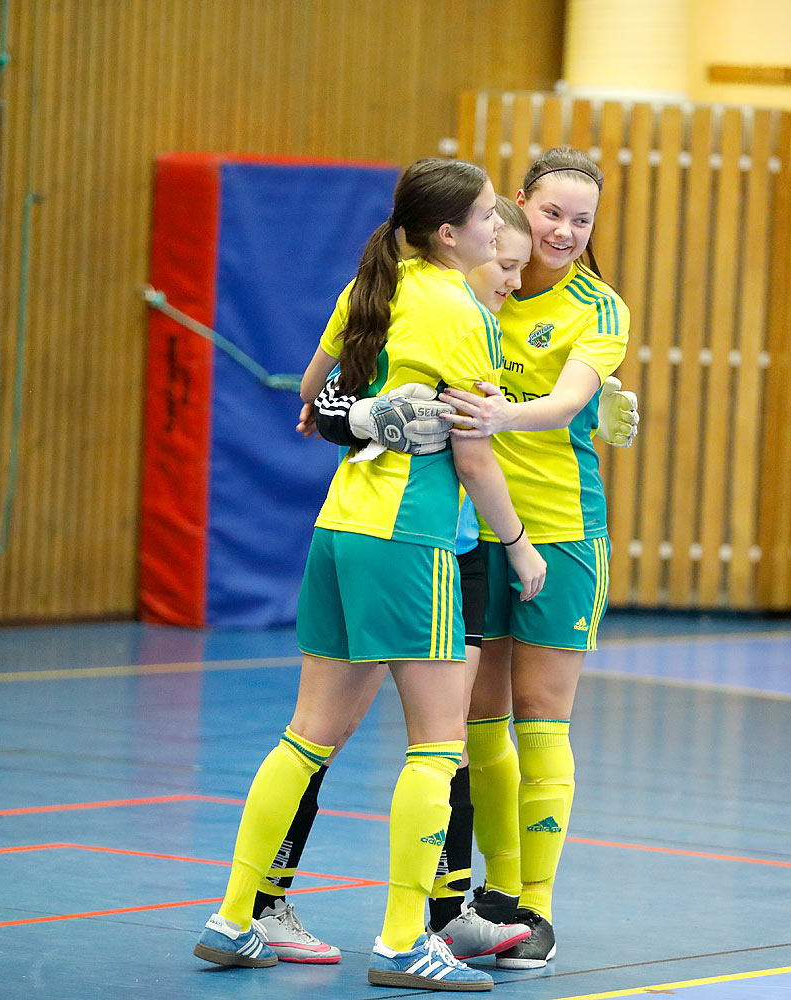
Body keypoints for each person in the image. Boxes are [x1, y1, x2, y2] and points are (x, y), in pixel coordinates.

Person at [192, 157, 545, 993]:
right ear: (449, 233)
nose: (500, 229)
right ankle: (401, 942)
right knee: (437, 746)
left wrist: (363, 411)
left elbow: (312, 394)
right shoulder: (462, 314)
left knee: (306, 735)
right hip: (410, 542)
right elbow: (475, 455)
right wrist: (520, 544)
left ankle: (235, 916)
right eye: (490, 217)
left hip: (339, 528)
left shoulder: (369, 286)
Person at [438, 147, 632, 970]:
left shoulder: (600, 307)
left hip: (560, 532)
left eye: (581, 220)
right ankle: (496, 896)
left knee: (541, 714)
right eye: (552, 212)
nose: (564, 231)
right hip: (475, 532)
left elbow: (564, 404)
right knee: (478, 718)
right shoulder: (479, 280)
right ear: (519, 204)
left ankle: (539, 911)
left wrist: (495, 417)